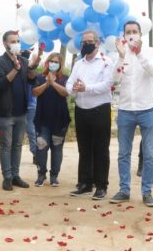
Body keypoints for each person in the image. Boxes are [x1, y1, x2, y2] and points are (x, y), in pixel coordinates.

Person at [110, 21, 153, 207]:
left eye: (134, 31)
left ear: (140, 34)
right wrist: (122, 57)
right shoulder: (122, 54)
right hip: (125, 110)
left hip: (148, 108)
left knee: (149, 153)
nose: (131, 35)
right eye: (128, 32)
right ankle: (124, 190)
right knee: (123, 153)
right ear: (124, 35)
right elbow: (114, 79)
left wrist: (138, 53)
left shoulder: (149, 51)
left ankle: (147, 192)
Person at [66, 30, 114, 200]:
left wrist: (87, 88)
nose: (86, 44)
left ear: (97, 43)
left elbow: (107, 84)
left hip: (100, 109)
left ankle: (101, 185)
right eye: (83, 42)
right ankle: (85, 183)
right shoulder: (79, 64)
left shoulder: (106, 62)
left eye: (89, 41)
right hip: (81, 110)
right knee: (84, 149)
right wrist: (73, 89)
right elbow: (69, 83)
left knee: (100, 149)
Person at [0, 31, 36, 191]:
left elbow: (32, 80)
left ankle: (16, 175)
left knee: (17, 145)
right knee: (6, 145)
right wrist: (15, 69)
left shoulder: (24, 60)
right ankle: (7, 177)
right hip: (5, 112)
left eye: (18, 41)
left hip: (21, 111)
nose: (16, 43)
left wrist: (33, 66)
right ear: (5, 43)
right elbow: (1, 84)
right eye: (12, 41)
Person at [32, 52, 70, 187]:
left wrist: (53, 83)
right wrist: (47, 83)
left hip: (60, 120)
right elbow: (35, 92)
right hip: (42, 120)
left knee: (57, 149)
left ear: (60, 65)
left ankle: (54, 176)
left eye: (56, 62)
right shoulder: (40, 77)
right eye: (51, 61)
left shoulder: (65, 78)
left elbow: (66, 92)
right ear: (47, 63)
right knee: (41, 147)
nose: (53, 64)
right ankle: (41, 175)